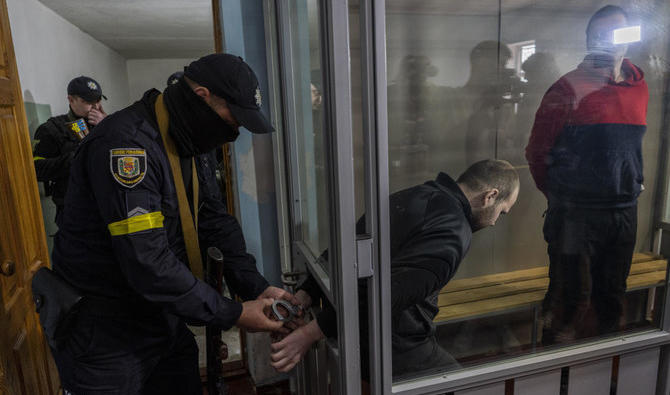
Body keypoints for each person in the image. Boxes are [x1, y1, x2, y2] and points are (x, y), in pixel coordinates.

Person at [50, 54, 298, 394]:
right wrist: (233, 313)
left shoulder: (186, 137)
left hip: (158, 313)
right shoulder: (126, 146)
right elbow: (146, 260)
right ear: (202, 98)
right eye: (234, 118)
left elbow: (213, 219)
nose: (235, 130)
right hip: (105, 331)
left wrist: (255, 286)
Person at [270, 160, 520, 378]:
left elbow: (345, 249)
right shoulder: (454, 234)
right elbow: (386, 297)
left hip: (359, 326)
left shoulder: (416, 195)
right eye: (503, 211)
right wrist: (311, 334)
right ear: (490, 196)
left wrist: (304, 295)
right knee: (457, 384)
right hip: (392, 342)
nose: (496, 221)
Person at [525, 5, 648, 343]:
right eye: (601, 34)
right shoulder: (568, 88)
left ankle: (603, 374)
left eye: (618, 33)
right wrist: (563, 199)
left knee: (612, 296)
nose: (610, 42)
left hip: (624, 211)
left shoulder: (640, 87)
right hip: (576, 214)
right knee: (569, 299)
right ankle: (552, 379)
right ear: (590, 40)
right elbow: (537, 152)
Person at [32, 76, 108, 224]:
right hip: (74, 209)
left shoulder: (105, 123)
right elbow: (36, 169)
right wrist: (75, 159)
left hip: (105, 202)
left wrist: (107, 126)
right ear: (71, 100)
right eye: (87, 102)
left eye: (98, 101)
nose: (95, 107)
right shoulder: (51, 129)